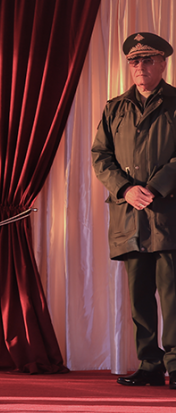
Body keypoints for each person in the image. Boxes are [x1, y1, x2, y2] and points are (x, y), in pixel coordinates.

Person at [92, 32, 176, 389]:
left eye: (147, 60)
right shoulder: (114, 107)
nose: (139, 67)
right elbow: (101, 155)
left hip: (167, 214)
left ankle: (175, 363)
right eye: (133, 61)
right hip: (129, 217)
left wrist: (155, 187)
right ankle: (149, 364)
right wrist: (126, 189)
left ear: (162, 63)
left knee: (172, 296)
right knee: (139, 298)